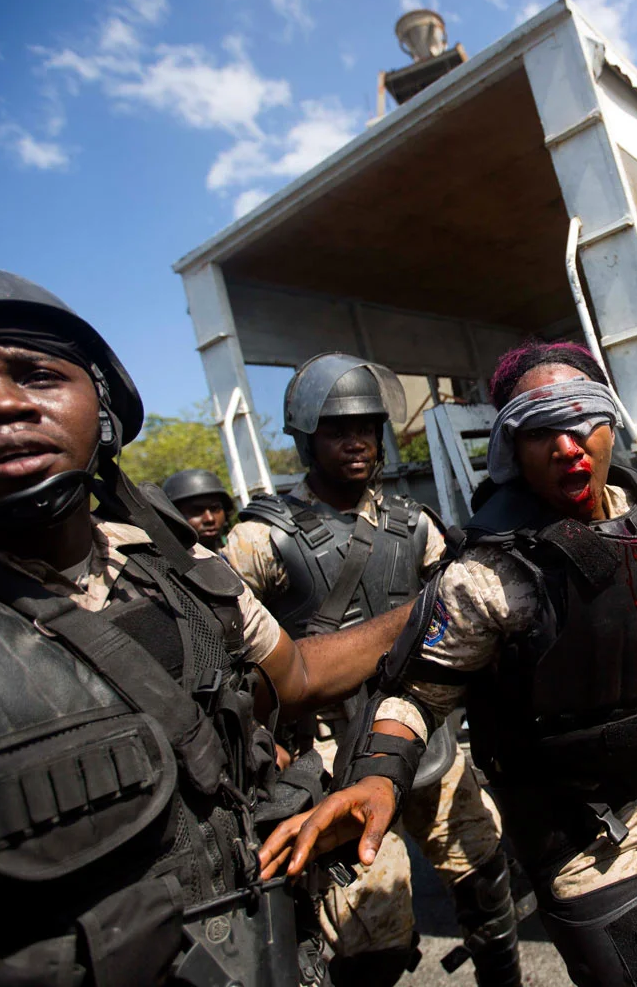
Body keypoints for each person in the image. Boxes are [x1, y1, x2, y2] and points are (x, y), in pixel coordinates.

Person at [0, 267, 410, 986]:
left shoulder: (179, 571)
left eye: (38, 374)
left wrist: (432, 609)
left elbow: (293, 675)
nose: (2, 404)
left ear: (103, 409)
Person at [258, 341, 637, 986]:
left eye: (583, 419)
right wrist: (378, 777)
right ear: (512, 451)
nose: (568, 446)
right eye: (540, 429)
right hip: (589, 833)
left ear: (612, 424)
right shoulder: (490, 574)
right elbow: (416, 692)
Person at [224, 353, 519, 987]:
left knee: (486, 877)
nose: (356, 442)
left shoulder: (415, 527)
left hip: (424, 739)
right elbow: (222, 657)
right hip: (331, 762)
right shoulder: (261, 538)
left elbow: (460, 615)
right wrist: (266, 752)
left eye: (366, 427)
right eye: (337, 430)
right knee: (371, 940)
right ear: (306, 438)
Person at [162, 467, 233, 553]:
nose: (210, 519)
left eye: (215, 509)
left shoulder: (234, 556)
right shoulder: (162, 563)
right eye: (196, 511)